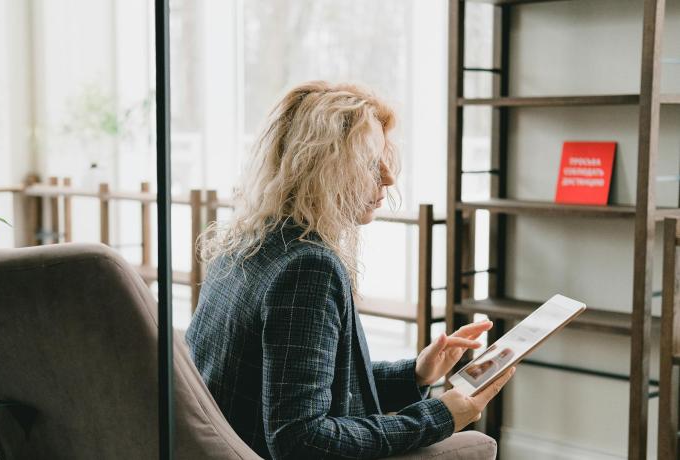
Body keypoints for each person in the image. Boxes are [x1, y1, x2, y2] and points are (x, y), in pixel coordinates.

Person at [185, 81, 514, 460]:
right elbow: (301, 439)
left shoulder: (249, 241)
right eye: (371, 162)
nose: (389, 178)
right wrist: (439, 416)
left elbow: (299, 384)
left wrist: (416, 375)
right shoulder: (307, 267)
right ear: (321, 167)